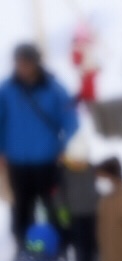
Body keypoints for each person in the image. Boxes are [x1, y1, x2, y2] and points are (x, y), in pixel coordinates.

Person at [0, 44, 79, 245]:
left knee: (53, 205)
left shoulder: (54, 88)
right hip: (17, 161)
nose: (22, 67)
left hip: (48, 160)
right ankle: (23, 246)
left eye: (26, 62)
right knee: (21, 207)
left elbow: (71, 121)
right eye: (19, 63)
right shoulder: (7, 90)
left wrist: (64, 146)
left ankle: (58, 245)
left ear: (36, 63)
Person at [58, 139, 99, 261]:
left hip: (91, 211)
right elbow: (59, 195)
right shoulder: (63, 171)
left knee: (92, 240)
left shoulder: (91, 169)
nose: (79, 164)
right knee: (80, 243)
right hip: (74, 214)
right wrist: (63, 213)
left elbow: (94, 188)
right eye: (77, 161)